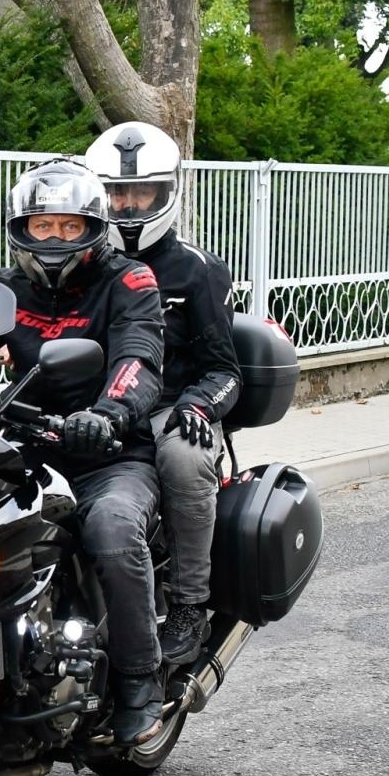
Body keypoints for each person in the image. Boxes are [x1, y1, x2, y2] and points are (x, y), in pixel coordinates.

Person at [0, 158, 168, 745]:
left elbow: (138, 357)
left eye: (69, 227)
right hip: (20, 450)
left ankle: (141, 682)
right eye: (44, 226)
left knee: (114, 532)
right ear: (23, 228)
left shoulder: (129, 280)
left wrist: (106, 413)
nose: (55, 239)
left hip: (106, 455)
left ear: (92, 228)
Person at [85, 121, 241, 665]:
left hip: (169, 410)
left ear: (167, 192)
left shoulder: (197, 271)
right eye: (116, 193)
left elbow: (225, 370)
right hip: (94, 408)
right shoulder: (84, 268)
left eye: (141, 193)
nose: (127, 206)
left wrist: (198, 407)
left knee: (182, 455)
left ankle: (189, 605)